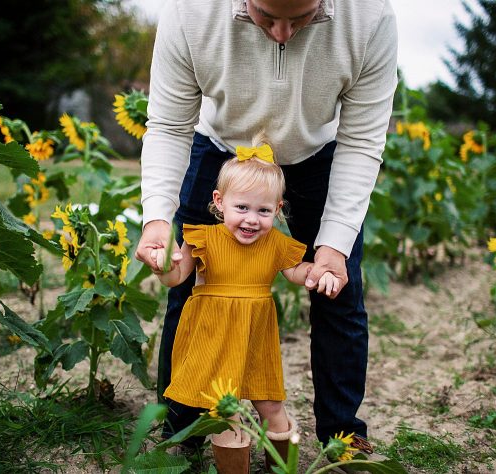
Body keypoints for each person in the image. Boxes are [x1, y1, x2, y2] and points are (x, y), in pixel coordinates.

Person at [134, 0, 398, 462]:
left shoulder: (371, 17)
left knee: (339, 289)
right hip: (220, 148)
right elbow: (170, 124)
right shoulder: (190, 12)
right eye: (265, 16)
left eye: (301, 19)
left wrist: (333, 246)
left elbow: (362, 141)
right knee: (190, 287)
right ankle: (185, 426)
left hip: (319, 152)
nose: (282, 34)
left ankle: (343, 436)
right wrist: (157, 217)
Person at [150, 140, 339, 472]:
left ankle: (282, 466)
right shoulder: (202, 238)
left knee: (271, 404)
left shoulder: (275, 243)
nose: (252, 220)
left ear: (277, 209)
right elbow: (177, 277)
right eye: (242, 208)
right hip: (214, 336)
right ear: (220, 203)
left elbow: (297, 271)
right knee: (227, 412)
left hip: (255, 338)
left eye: (264, 211)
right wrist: (164, 267)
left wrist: (318, 273)